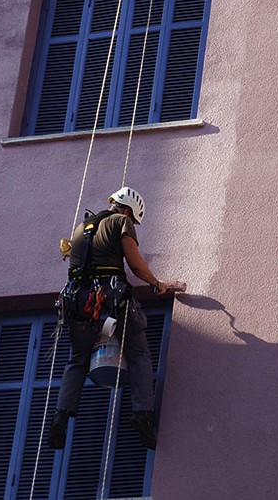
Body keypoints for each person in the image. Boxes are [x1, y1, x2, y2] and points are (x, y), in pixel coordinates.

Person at [49, 186, 171, 450]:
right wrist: (156, 283)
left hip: (77, 302)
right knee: (138, 353)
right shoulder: (121, 221)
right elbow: (136, 265)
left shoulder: (82, 229)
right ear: (128, 210)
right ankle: (142, 415)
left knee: (78, 359)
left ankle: (61, 416)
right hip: (110, 298)